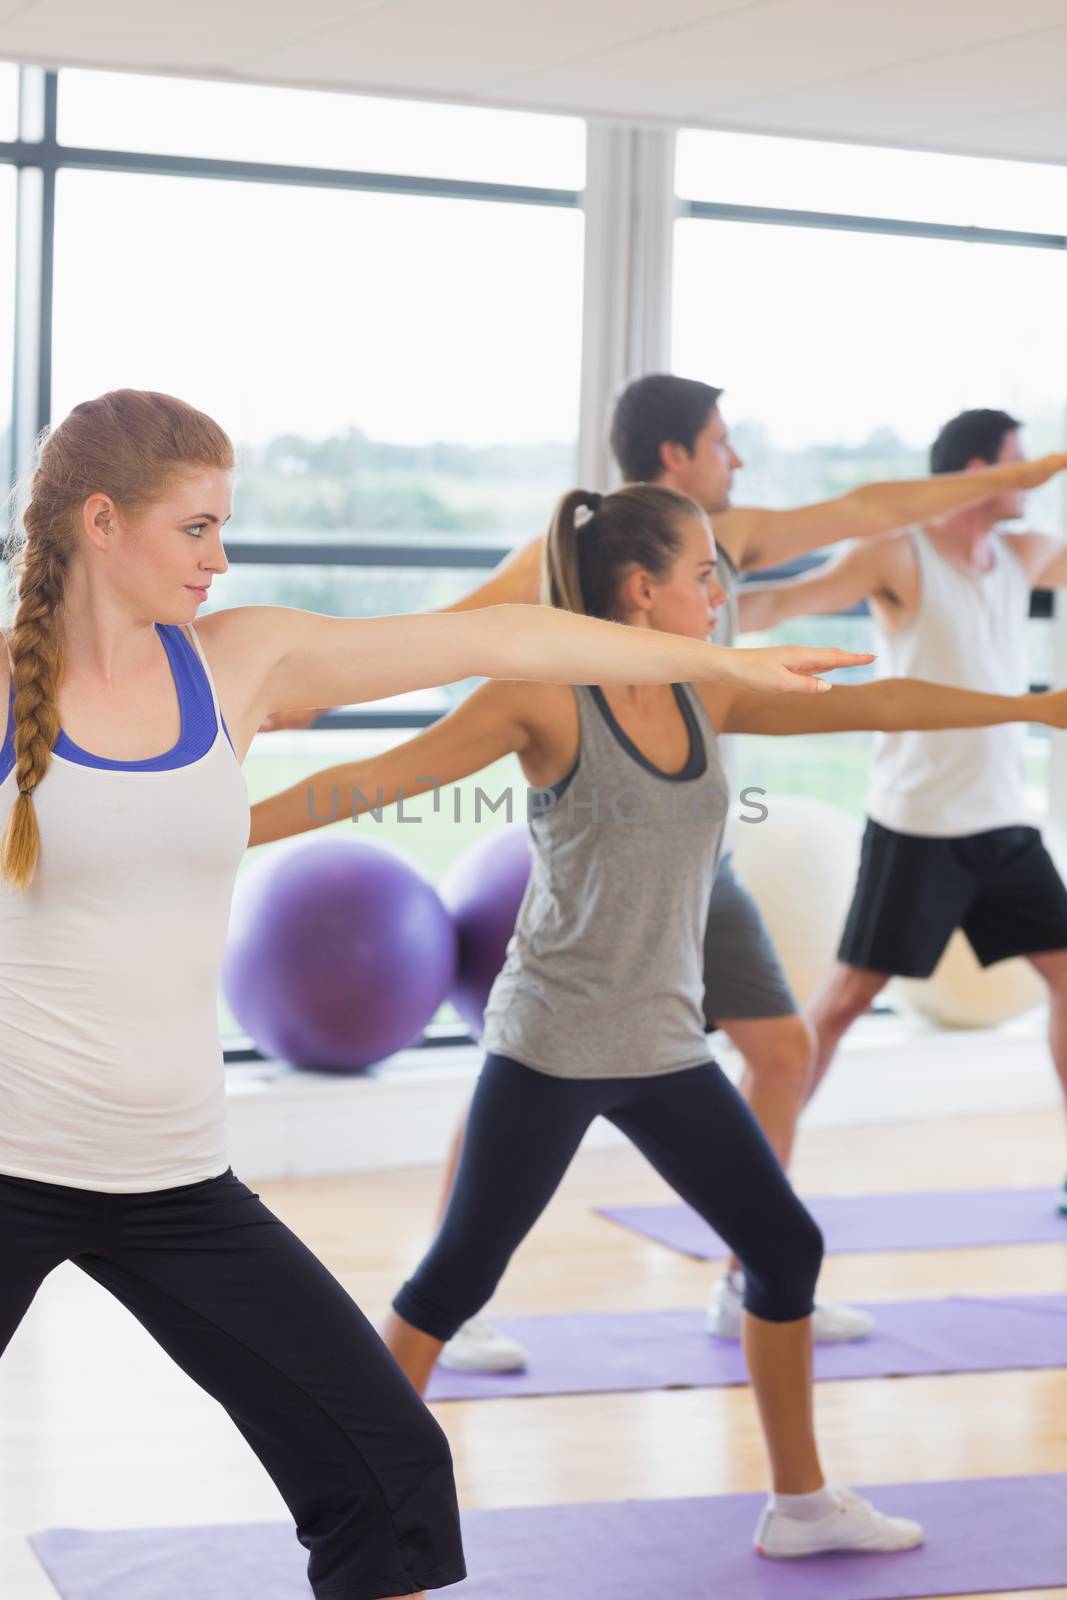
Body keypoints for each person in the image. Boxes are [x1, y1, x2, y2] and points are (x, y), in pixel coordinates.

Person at [0, 392, 854, 1600]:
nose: (220, 556)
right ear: (102, 521)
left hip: (175, 1182)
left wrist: (712, 659)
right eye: (196, 528)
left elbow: (512, 636)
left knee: (390, 1474)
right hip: (11, 1159)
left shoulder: (242, 660)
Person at [251, 482, 1067, 1559]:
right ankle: (361, 1506)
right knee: (452, 1278)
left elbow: (877, 704)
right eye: (703, 573)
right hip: (552, 1045)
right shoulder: (539, 696)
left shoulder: (704, 692)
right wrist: (209, 826)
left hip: (667, 1046)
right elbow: (369, 781)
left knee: (783, 1245)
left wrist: (1027, 709)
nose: (723, 593)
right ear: (641, 590)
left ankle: (799, 1503)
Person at [740, 407, 1067, 1216]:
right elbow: (788, 602)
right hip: (918, 826)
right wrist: (667, 620)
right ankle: (747, 1179)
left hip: (1002, 823)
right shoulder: (898, 553)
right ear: (972, 473)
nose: (1029, 480)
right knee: (844, 1004)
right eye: (1017, 465)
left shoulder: (1021, 553)